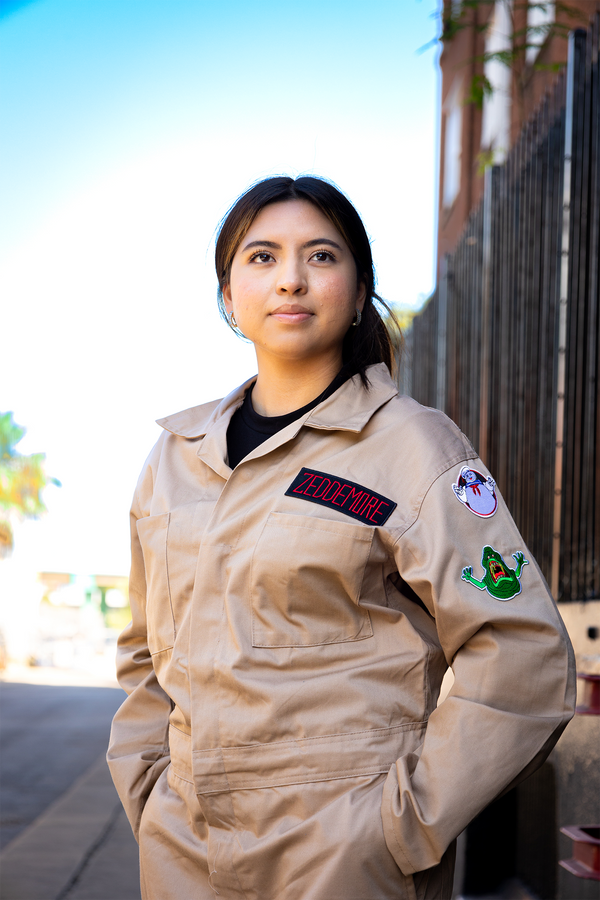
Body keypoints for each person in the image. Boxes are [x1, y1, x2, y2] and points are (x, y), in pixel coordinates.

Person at [107, 175, 575, 900]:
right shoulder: (175, 459)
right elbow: (144, 653)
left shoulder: (412, 448)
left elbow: (523, 654)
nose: (290, 279)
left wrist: (403, 827)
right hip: (184, 853)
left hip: (346, 861)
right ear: (229, 296)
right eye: (262, 257)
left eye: (320, 256)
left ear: (358, 293)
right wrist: (146, 787)